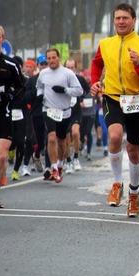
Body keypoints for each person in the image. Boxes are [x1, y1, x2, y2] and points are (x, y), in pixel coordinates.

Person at [91, 3, 139, 217]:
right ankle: (117, 184)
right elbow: (96, 65)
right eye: (117, 18)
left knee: (133, 150)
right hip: (112, 97)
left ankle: (134, 194)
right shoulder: (105, 43)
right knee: (115, 136)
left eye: (125, 18)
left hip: (137, 99)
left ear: (134, 20)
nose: (121, 21)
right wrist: (95, 81)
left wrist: (138, 63)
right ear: (114, 21)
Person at [37, 48, 84, 182]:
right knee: (51, 137)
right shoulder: (43, 74)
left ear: (58, 58)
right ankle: (54, 167)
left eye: (54, 58)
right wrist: (39, 95)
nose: (51, 61)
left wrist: (65, 90)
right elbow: (39, 86)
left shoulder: (67, 73)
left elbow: (79, 91)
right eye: (49, 58)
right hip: (48, 109)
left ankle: (60, 163)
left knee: (62, 141)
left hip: (64, 111)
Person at [0, 25, 26, 207]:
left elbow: (21, 86)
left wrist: (9, 95)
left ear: (2, 39)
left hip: (3, 114)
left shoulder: (10, 64)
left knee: (1, 157)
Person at [64, 58, 90, 172]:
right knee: (65, 137)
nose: (70, 70)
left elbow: (86, 89)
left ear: (75, 68)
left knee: (75, 133)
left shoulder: (79, 79)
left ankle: (75, 158)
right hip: (64, 110)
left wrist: (81, 97)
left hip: (76, 110)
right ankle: (68, 160)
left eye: (72, 68)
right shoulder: (61, 79)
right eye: (68, 68)